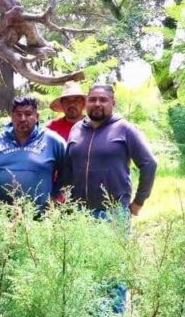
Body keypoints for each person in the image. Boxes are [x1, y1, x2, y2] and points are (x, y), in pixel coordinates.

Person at [63, 83, 157, 217]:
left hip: (113, 212)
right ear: (86, 103)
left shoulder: (125, 129)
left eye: (103, 100)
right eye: (92, 99)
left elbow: (149, 163)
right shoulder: (77, 129)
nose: (97, 104)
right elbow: (68, 167)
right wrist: (66, 200)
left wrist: (138, 202)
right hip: (78, 211)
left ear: (113, 103)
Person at [0, 96, 66, 211]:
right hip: (0, 216)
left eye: (28, 114)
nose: (23, 119)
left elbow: (69, 172)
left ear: (37, 116)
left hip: (41, 218)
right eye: (18, 114)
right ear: (11, 116)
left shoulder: (53, 141)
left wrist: (57, 198)